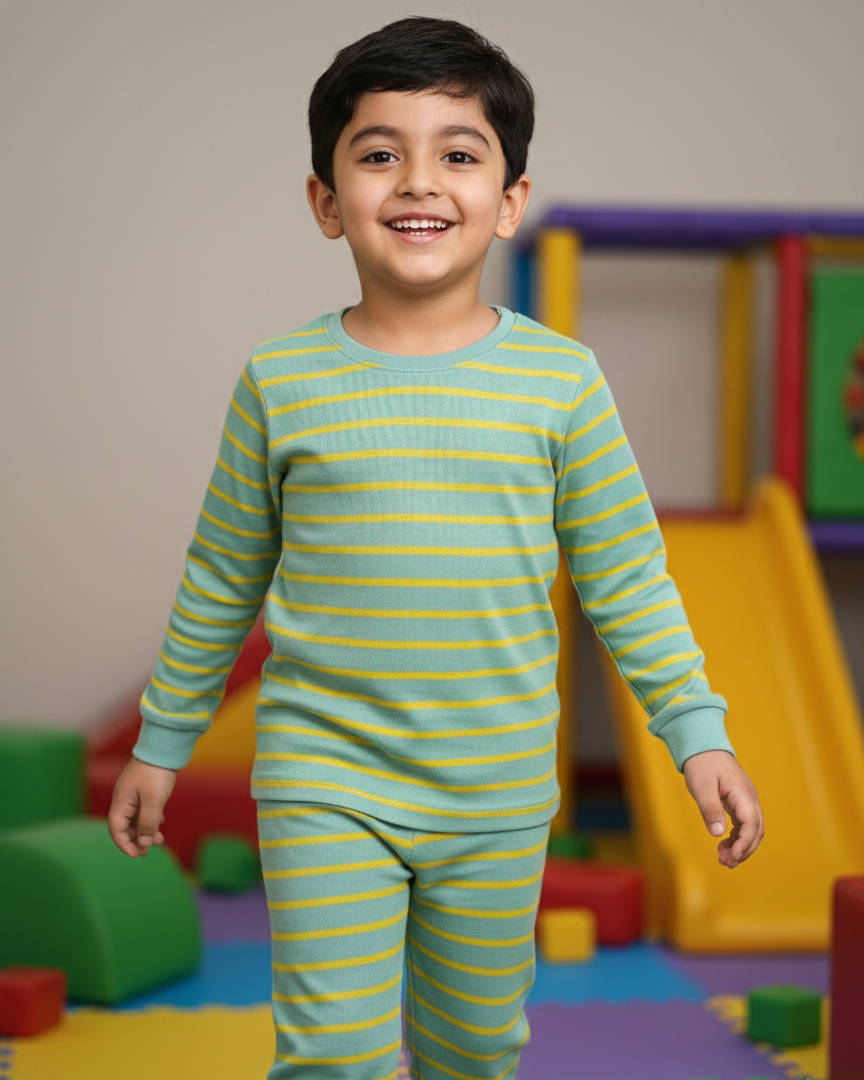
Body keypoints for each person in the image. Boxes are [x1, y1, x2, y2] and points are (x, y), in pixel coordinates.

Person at [108, 16, 764, 1080]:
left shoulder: (562, 382)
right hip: (325, 777)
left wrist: (698, 734)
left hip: (495, 787)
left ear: (509, 201)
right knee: (330, 1054)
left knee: (472, 1048)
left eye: (459, 153)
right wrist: (162, 741)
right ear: (327, 201)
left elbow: (626, 578)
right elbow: (224, 576)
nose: (419, 181)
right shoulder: (282, 381)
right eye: (379, 154)